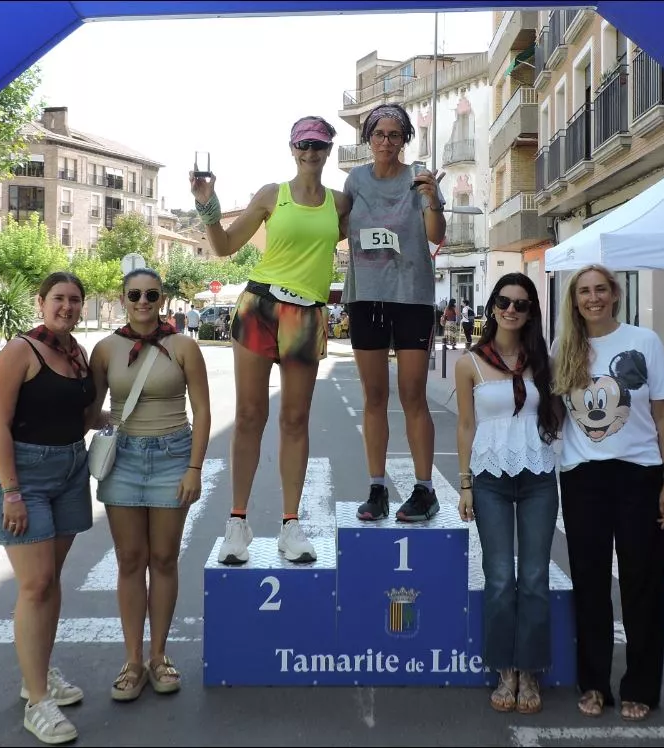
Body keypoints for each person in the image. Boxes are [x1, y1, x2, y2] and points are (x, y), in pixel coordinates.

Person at [190, 115, 351, 565]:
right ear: (292, 148)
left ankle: (290, 525)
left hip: (307, 312)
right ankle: (236, 524)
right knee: (248, 415)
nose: (311, 153)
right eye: (303, 145)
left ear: (328, 150)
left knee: (296, 420)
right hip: (259, 305)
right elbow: (223, 246)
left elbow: (371, 230)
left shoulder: (340, 203)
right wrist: (207, 205)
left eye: (319, 145)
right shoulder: (270, 195)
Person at [551, 263, 664, 722]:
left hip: (640, 476)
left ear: (615, 295)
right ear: (575, 299)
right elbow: (552, 416)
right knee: (589, 584)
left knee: (642, 584)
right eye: (584, 291)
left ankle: (641, 685)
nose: (593, 298)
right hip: (583, 478)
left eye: (600, 289)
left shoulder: (644, 343)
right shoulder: (564, 347)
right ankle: (594, 684)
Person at [88, 268, 212, 703]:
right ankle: (133, 661)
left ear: (163, 299)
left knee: (162, 558)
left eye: (151, 294)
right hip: (123, 460)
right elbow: (91, 409)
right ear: (122, 298)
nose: (143, 301)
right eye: (135, 294)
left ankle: (159, 656)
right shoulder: (105, 349)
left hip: (172, 456)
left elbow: (203, 410)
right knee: (128, 560)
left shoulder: (183, 347)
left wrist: (195, 468)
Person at [0, 271, 96, 745]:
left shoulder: (77, 355)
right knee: (36, 585)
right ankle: (37, 702)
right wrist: (11, 491)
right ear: (41, 302)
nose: (66, 307)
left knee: (50, 583)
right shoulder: (20, 351)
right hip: (24, 476)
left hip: (71, 470)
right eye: (58, 299)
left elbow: (81, 412)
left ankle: (41, 674)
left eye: (74, 300)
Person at [454, 273, 562, 715]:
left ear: (531, 310)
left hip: (538, 476)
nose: (511, 309)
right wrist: (464, 483)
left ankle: (531, 669)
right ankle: (505, 669)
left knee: (535, 578)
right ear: (492, 306)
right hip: (490, 478)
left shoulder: (543, 359)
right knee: (499, 577)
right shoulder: (469, 363)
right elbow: (465, 426)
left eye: (520, 303)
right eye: (504, 301)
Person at [344, 103, 446, 523]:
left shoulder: (417, 178)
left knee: (412, 395)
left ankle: (424, 490)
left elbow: (435, 235)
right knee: (374, 397)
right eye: (379, 134)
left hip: (412, 296)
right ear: (368, 139)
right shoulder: (355, 179)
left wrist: (434, 200)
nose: (386, 141)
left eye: (395, 135)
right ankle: (377, 488)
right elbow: (335, 225)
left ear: (405, 140)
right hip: (365, 296)